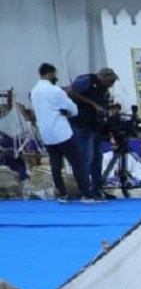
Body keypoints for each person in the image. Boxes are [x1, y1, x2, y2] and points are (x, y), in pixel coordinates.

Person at [29, 63, 86, 201]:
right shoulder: (55, 90)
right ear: (49, 73)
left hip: (46, 134)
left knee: (56, 165)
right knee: (76, 163)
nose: (56, 77)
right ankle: (86, 193)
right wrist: (67, 112)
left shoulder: (34, 91)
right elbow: (73, 109)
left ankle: (63, 194)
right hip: (61, 132)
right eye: (55, 74)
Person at [67, 65, 119, 201]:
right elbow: (69, 91)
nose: (111, 85)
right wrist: (92, 104)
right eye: (110, 82)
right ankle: (84, 189)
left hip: (95, 126)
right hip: (82, 125)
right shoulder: (87, 81)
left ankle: (96, 189)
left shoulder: (103, 90)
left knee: (97, 159)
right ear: (103, 77)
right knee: (85, 158)